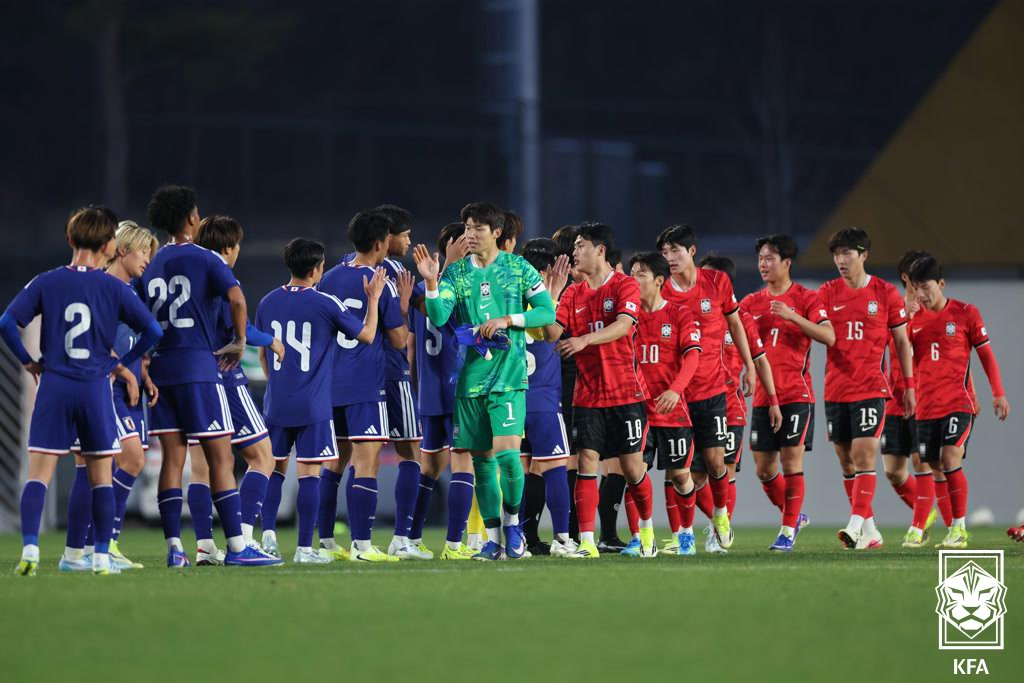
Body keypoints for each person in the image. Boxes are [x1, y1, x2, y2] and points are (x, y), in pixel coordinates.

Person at [1, 206, 162, 576]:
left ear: (70, 240)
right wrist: (120, 364)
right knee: (100, 477)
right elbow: (153, 331)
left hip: (54, 385)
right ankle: (101, 557)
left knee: (39, 475)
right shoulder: (112, 286)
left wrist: (28, 361)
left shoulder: (47, 281)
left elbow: (7, 322)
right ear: (109, 245)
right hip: (94, 388)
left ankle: (30, 550)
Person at [141, 184, 279, 567]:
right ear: (190, 218)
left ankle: (175, 548)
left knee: (175, 460)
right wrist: (239, 341)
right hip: (200, 369)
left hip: (163, 368)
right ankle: (238, 546)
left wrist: (142, 359)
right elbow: (236, 299)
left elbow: (137, 317)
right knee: (222, 459)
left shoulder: (150, 263)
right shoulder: (206, 258)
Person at [414, 201, 556, 561]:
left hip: (508, 378)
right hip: (469, 381)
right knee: (482, 464)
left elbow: (546, 312)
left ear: (496, 232)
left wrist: (508, 320)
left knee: (509, 457)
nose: (470, 234)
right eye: (466, 227)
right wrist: (432, 281)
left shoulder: (518, 268)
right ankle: (493, 540)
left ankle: (513, 527)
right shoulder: (457, 273)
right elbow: (439, 313)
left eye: (477, 228)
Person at [256, 238, 386, 563]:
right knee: (310, 474)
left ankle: (267, 537)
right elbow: (368, 335)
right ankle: (303, 549)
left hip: (276, 403)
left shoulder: (267, 302)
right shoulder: (326, 303)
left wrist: (276, 384)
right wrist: (373, 300)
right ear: (316, 269)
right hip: (313, 404)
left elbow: (262, 351)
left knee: (273, 469)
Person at [658, 224, 782, 550]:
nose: (670, 257)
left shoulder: (717, 283)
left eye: (676, 250)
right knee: (678, 471)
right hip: (678, 394)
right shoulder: (663, 292)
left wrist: (750, 366)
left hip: (713, 390)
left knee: (716, 464)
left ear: (692, 251)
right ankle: (682, 535)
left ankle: (721, 515)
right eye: (666, 252)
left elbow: (736, 323)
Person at [540, 223, 654, 559]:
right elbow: (550, 334)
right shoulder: (572, 293)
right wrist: (550, 293)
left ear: (600, 250)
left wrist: (585, 339)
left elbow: (624, 325)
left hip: (626, 394)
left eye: (581, 246)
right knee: (586, 461)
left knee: (633, 469)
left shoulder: (624, 284)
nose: (575, 252)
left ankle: (645, 529)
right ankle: (587, 540)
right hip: (587, 395)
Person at [60, 221, 161, 572]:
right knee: (119, 460)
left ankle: (91, 546)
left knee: (113, 463)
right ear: (122, 249)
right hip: (101, 386)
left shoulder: (131, 291)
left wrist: (142, 374)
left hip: (123, 387)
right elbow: (98, 341)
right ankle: (95, 543)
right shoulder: (101, 286)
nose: (148, 258)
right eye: (143, 250)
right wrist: (123, 371)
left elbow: (131, 342)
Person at [818, 227, 915, 550]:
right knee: (846, 460)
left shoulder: (885, 293)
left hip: (871, 387)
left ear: (864, 255)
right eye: (836, 254)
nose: (840, 260)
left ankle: (856, 523)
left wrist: (909, 385)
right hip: (835, 389)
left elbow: (901, 341)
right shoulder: (826, 293)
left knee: (864, 454)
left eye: (847, 253)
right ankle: (870, 530)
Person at [318, 210, 406, 562]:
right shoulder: (378, 279)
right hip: (365, 386)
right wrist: (398, 306)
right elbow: (399, 340)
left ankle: (324, 543)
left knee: (333, 463)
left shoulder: (327, 278)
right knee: (366, 463)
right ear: (380, 243)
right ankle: (362, 546)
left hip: (329, 385)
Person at [195, 216, 285, 554]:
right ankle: (244, 538)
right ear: (229, 248)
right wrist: (271, 340)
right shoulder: (220, 273)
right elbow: (239, 325)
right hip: (225, 377)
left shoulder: (188, 273)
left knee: (202, 465)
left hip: (193, 377)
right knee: (263, 457)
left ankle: (204, 544)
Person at [341, 205, 426, 559]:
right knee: (409, 452)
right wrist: (409, 304)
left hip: (347, 379)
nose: (408, 242)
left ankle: (332, 540)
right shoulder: (388, 273)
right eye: (405, 235)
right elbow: (402, 332)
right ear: (385, 238)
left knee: (347, 458)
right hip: (390, 374)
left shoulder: (341, 267)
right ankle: (401, 539)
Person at [908, 255, 1010, 549]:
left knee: (950, 457)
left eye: (926, 287)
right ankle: (952, 528)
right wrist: (904, 320)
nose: (921, 295)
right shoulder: (913, 320)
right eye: (915, 288)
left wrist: (998, 392)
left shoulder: (966, 313)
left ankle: (959, 529)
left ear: (941, 284)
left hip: (958, 402)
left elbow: (986, 356)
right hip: (926, 406)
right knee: (935, 465)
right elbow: (900, 354)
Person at [741, 234, 835, 551]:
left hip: (796, 394)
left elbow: (829, 336)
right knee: (763, 468)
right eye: (760, 259)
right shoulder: (751, 303)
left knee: (790, 461)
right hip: (763, 398)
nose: (763, 265)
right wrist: (745, 367)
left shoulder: (806, 299)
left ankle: (786, 531)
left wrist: (793, 316)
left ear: (787, 263)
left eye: (769, 258)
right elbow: (736, 340)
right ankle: (794, 516)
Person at [407, 222, 477, 559]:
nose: (471, 246)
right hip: (458, 388)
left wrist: (416, 386)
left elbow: (411, 346)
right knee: (463, 464)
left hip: (429, 393)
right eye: (465, 241)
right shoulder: (462, 288)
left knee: (430, 469)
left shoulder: (419, 290)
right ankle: (453, 544)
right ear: (451, 246)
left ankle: (411, 538)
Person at [628, 252, 702, 556]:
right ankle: (642, 536)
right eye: (631, 273)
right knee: (634, 473)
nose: (634, 280)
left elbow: (693, 356)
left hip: (673, 412)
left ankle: (686, 534)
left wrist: (675, 390)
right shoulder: (627, 316)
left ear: (659, 280)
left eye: (640, 274)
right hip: (638, 409)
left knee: (681, 477)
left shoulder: (680, 314)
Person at [518, 238, 575, 557]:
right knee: (556, 468)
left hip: (512, 398)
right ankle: (563, 539)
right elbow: (554, 333)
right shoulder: (542, 301)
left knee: (518, 471)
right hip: (542, 399)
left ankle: (517, 537)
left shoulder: (510, 300)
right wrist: (553, 293)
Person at [881, 250, 941, 548]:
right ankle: (925, 511)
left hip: (924, 396)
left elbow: (951, 355)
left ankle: (917, 527)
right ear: (906, 278)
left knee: (922, 462)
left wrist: (970, 389)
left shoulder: (933, 310)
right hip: (893, 397)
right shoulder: (894, 308)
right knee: (893, 470)